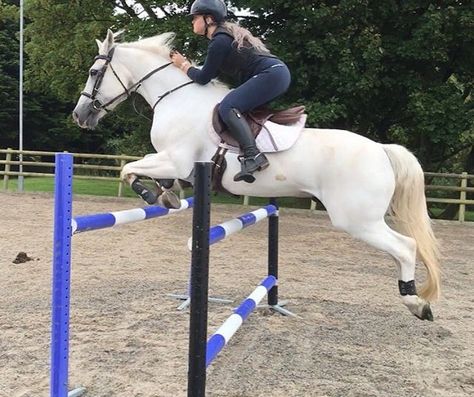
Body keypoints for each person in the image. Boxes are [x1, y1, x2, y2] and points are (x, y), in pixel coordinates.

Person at [171, 0, 291, 183]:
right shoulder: (224, 38)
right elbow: (209, 73)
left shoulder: (220, 40)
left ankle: (253, 156)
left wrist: (183, 65)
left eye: (195, 18)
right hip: (276, 74)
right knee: (236, 109)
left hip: (271, 75)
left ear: (209, 19)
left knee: (227, 107)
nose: (192, 22)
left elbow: (203, 78)